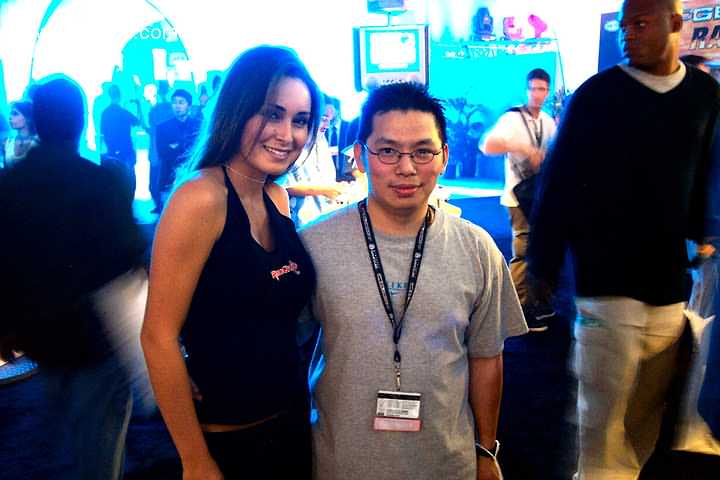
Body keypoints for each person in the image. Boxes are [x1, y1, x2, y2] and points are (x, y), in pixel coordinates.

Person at [527, 0, 720, 478]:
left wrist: (707, 231)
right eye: (623, 24)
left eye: (640, 23)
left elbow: (705, 171)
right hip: (604, 283)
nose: (627, 34)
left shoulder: (703, 95)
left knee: (647, 416)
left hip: (670, 283)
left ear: (676, 24)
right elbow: (558, 183)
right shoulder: (597, 95)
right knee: (599, 415)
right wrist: (542, 263)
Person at [300, 82, 528, 480]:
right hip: (340, 462)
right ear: (360, 156)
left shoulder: (477, 250)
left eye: (423, 151)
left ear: (444, 157)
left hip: (446, 463)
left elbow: (487, 357)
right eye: (387, 151)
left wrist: (485, 450)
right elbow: (278, 344)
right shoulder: (314, 245)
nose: (406, 168)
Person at [141, 45, 322, 479]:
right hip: (230, 438)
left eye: (300, 120)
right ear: (237, 110)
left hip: (292, 422)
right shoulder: (199, 198)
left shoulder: (276, 197)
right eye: (272, 114)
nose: (287, 134)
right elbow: (157, 335)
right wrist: (195, 459)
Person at [0, 76, 145, 479]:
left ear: (36, 120)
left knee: (62, 433)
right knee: (100, 447)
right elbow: (129, 257)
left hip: (41, 338)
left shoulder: (10, 184)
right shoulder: (102, 180)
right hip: (96, 339)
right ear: (81, 121)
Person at [480, 68, 557, 332]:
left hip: (540, 194)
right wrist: (522, 148)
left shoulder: (547, 121)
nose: (537, 94)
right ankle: (518, 310)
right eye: (533, 89)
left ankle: (538, 302)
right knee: (523, 252)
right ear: (527, 90)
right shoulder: (512, 118)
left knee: (541, 249)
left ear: (548, 92)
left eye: (542, 89)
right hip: (518, 195)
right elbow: (487, 146)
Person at [279, 96, 348, 226]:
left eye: (330, 120)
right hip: (300, 221)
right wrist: (322, 190)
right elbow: (282, 187)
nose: (327, 125)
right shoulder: (290, 143)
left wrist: (338, 187)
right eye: (324, 119)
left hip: (323, 217)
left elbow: (327, 177)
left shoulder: (321, 140)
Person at [155, 88, 202, 206]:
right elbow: (162, 152)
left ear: (189, 106)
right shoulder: (162, 127)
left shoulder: (199, 126)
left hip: (193, 176)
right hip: (169, 177)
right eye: (174, 102)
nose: (177, 106)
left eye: (181, 102)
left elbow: (199, 151)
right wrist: (183, 147)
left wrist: (175, 146)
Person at [101, 84, 142, 197]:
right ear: (120, 96)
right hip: (126, 150)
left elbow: (102, 132)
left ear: (109, 95)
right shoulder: (123, 112)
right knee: (129, 180)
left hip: (111, 151)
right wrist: (139, 105)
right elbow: (138, 122)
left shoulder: (105, 113)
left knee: (113, 179)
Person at [3, 100, 38, 168]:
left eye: (15, 114)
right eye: (10, 114)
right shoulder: (7, 142)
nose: (10, 117)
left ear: (28, 118)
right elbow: (5, 170)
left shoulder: (37, 142)